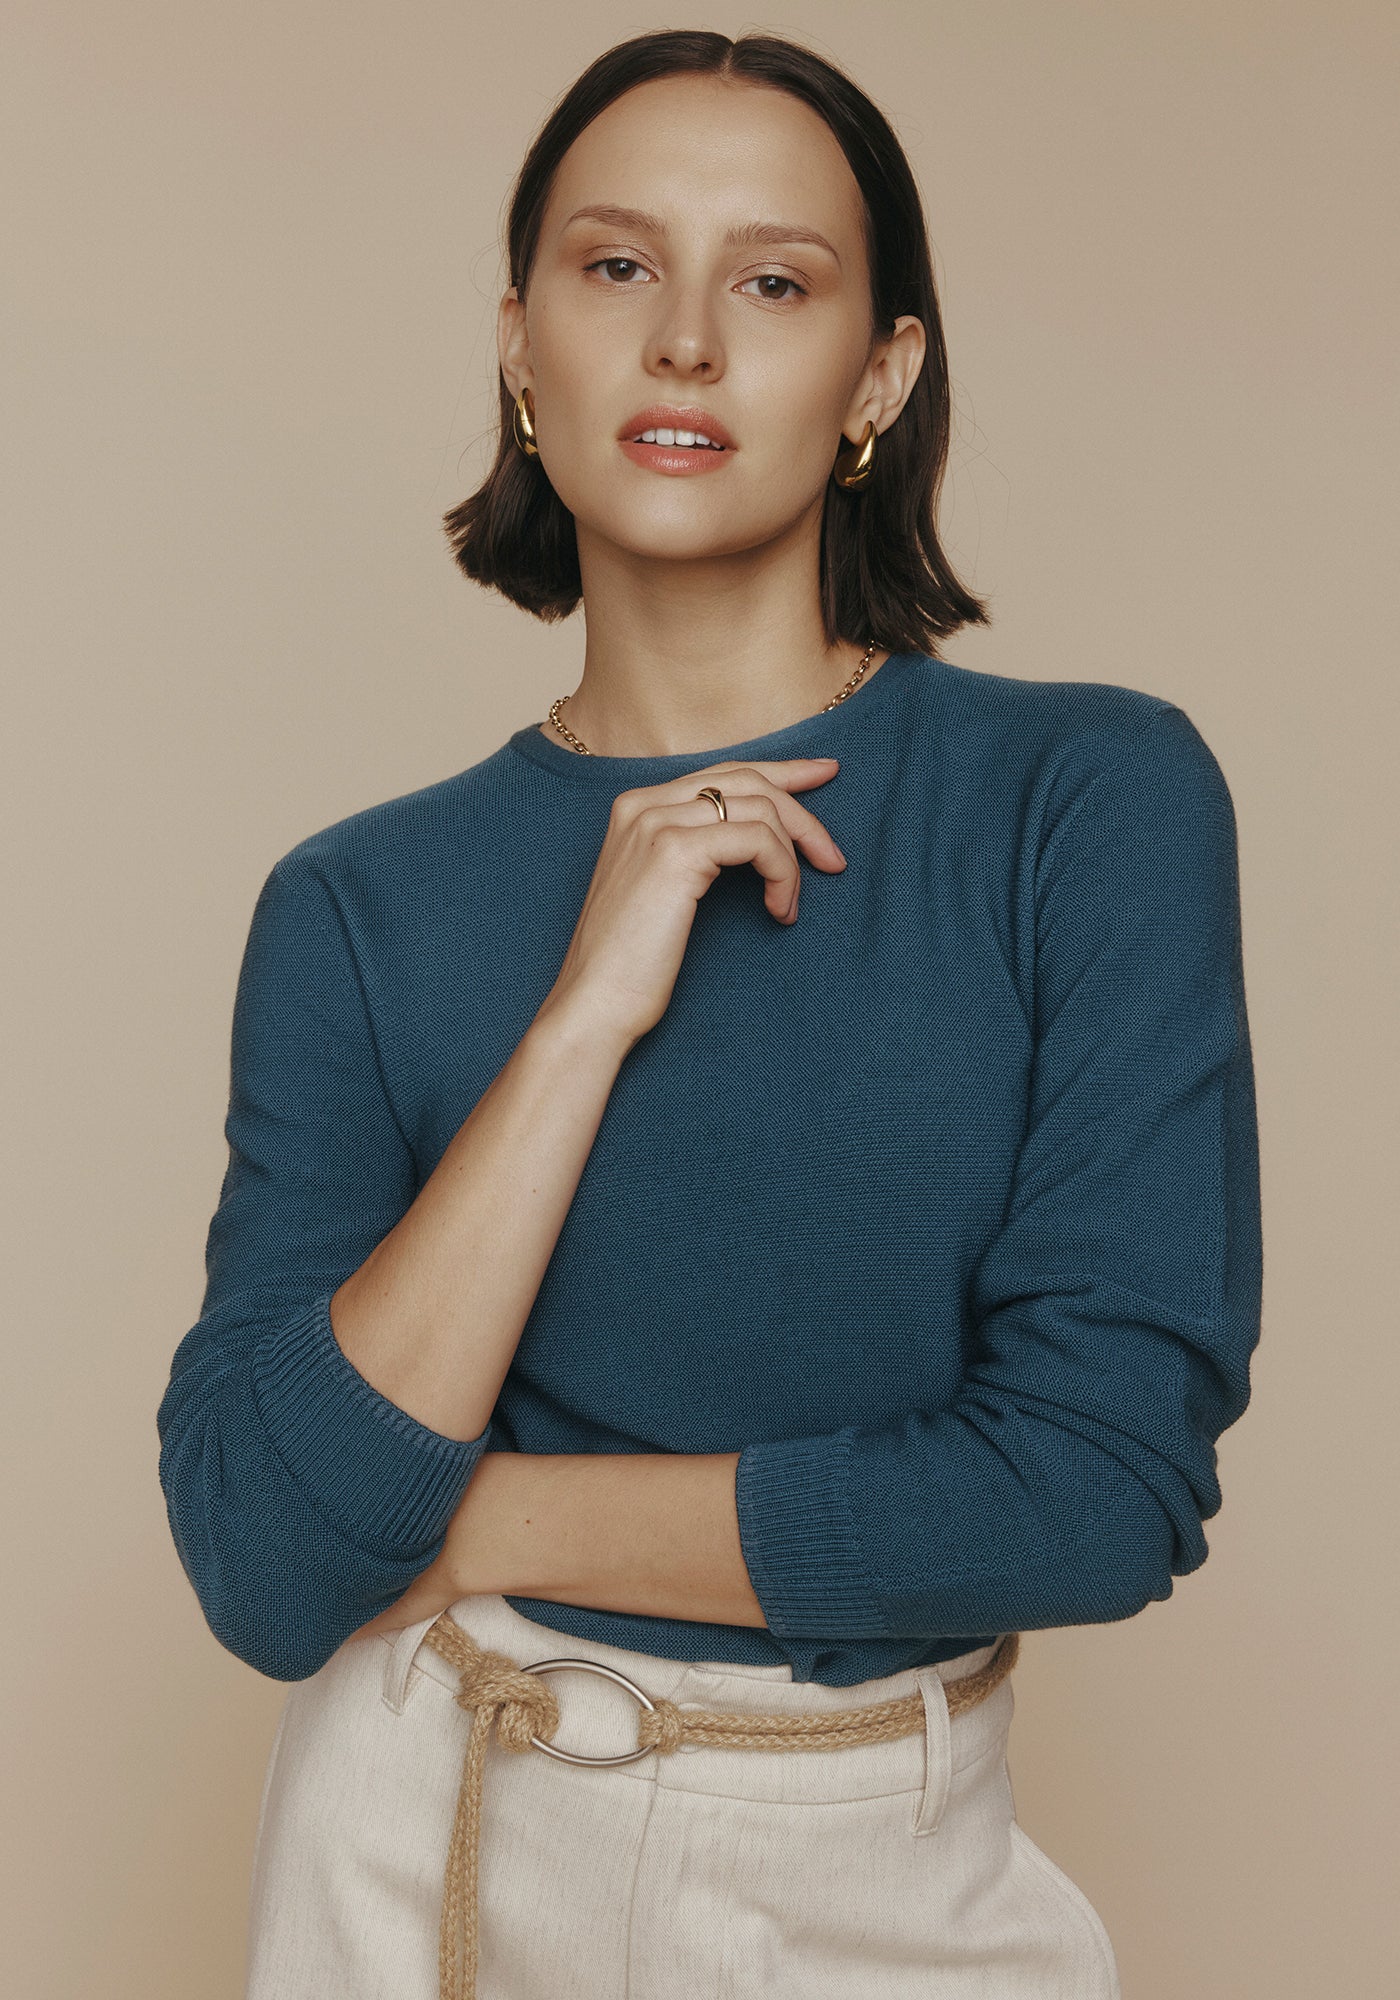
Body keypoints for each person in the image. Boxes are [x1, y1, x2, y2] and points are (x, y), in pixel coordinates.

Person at [155, 27, 1262, 2000]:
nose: (682, 342)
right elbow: (269, 1561)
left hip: (880, 1857)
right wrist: (583, 1015)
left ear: (880, 377)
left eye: (772, 281)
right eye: (615, 267)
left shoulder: (1085, 801)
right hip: (421, 1840)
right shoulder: (357, 903)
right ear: (522, 346)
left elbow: (1094, 1491)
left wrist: (472, 1520)